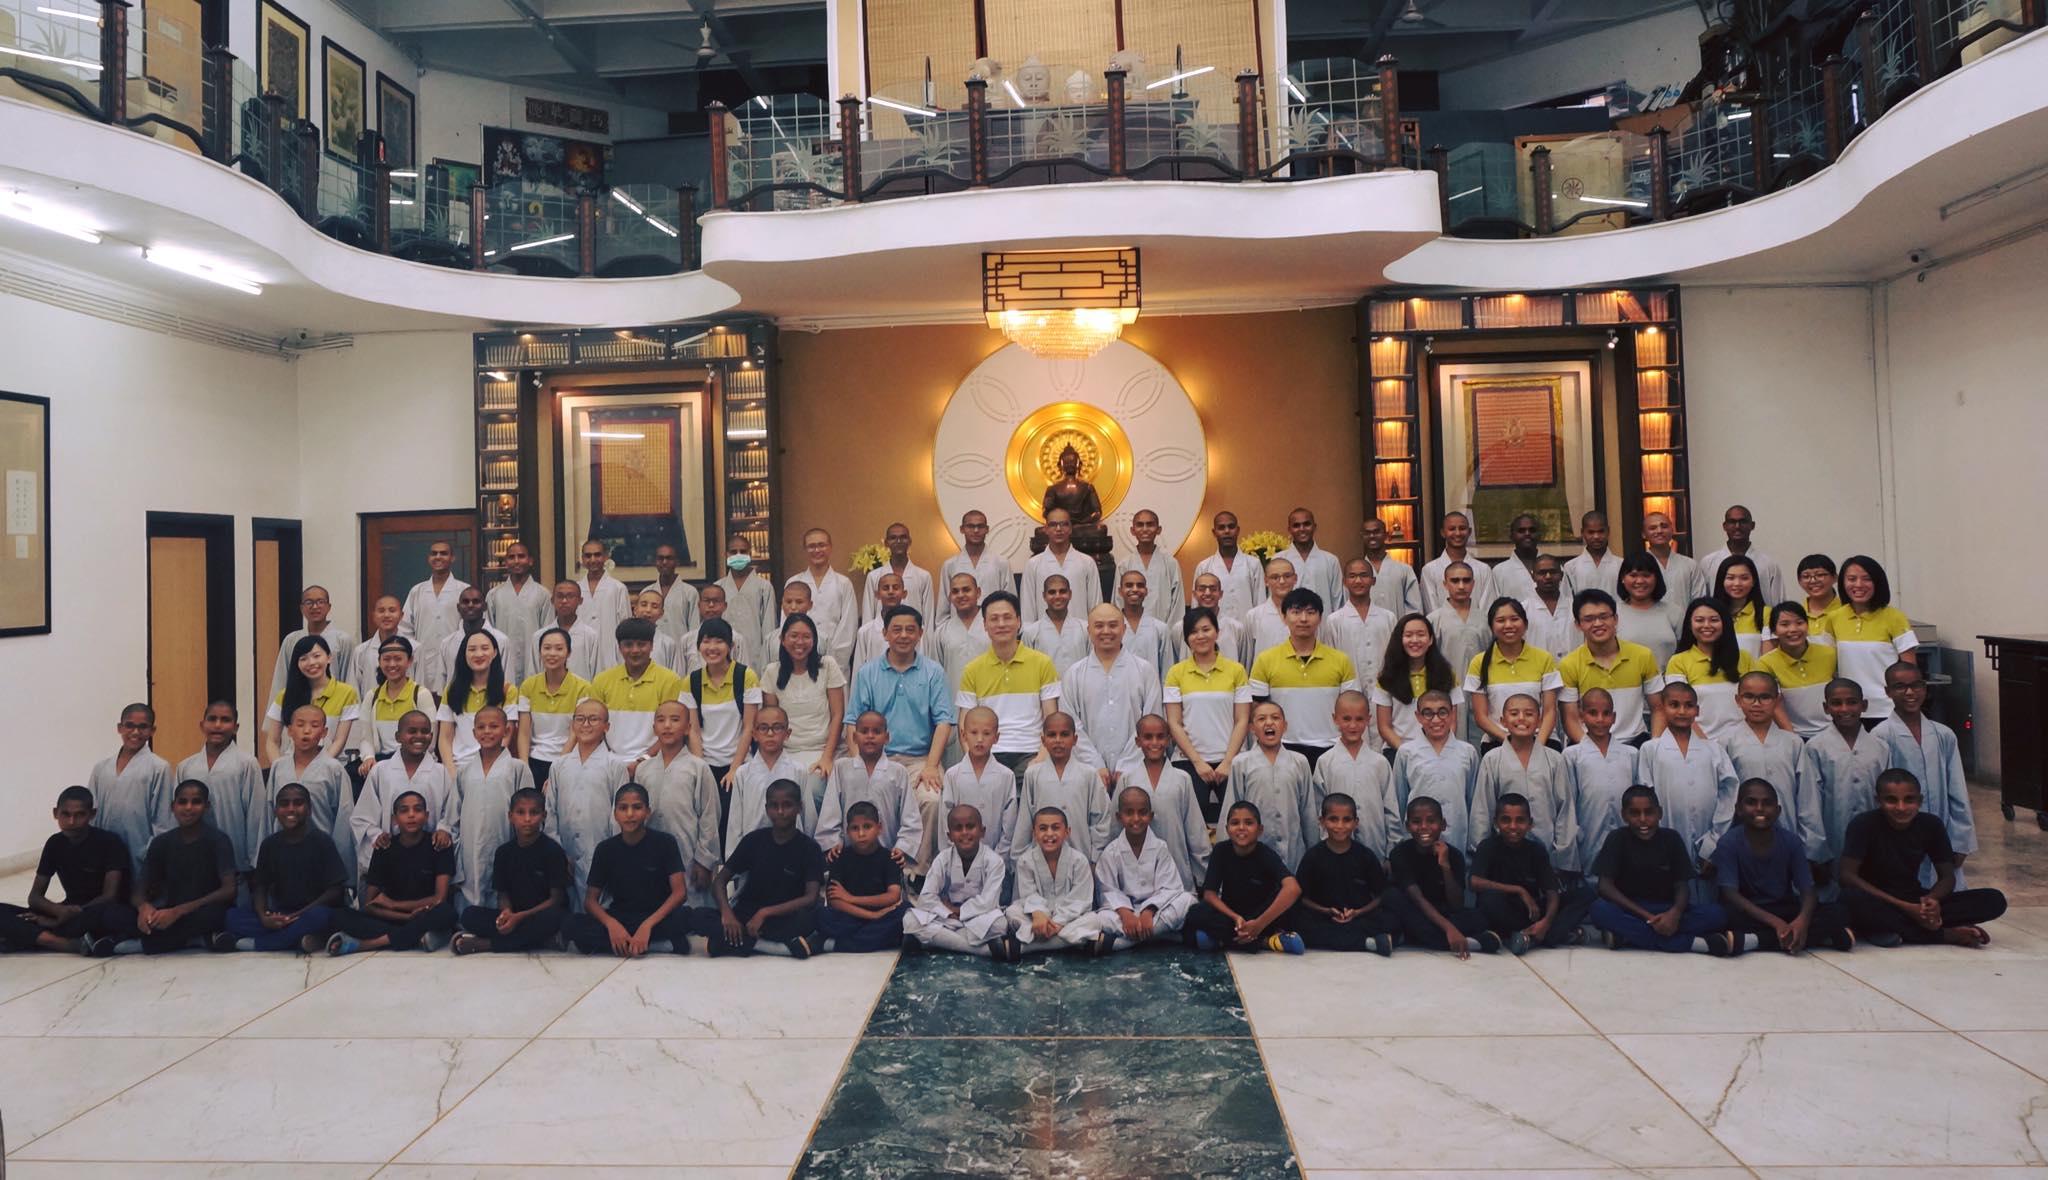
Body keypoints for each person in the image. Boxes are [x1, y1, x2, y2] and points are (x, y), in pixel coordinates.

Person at [842, 603, 953, 873]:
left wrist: (930, 765)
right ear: (885, 634)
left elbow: (943, 722)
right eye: (897, 629)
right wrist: (860, 764)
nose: (903, 635)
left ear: (920, 634)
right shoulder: (868, 672)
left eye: (910, 630)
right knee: (869, 801)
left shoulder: (933, 672)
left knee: (932, 801)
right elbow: (852, 721)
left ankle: (915, 873)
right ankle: (869, 871)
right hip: (878, 758)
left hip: (919, 760)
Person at [1839, 768, 2005, 947]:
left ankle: (1894, 929)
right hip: (1877, 899)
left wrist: (1931, 902)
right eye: (1891, 800)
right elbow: (1847, 876)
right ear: (1878, 801)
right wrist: (1907, 909)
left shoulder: (1930, 825)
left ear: (1920, 800)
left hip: (1914, 897)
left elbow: (1947, 876)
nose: (1901, 808)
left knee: (1994, 900)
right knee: (1851, 900)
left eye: (1909, 800)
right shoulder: (1863, 825)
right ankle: (1945, 935)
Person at [89, 779, 235, 956]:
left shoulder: (218, 840)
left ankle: (145, 943)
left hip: (199, 910)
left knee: (221, 917)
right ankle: (194, 940)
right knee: (111, 914)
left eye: (196, 802)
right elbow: (139, 890)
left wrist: (178, 911)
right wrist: (144, 908)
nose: (188, 808)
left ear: (207, 806)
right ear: (173, 806)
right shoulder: (161, 842)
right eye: (182, 802)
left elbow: (228, 890)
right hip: (167, 912)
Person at [1588, 786, 1734, 955]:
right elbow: (1605, 887)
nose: (1643, 819)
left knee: (1718, 914)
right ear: (1624, 815)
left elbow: (1682, 886)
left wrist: (1675, 914)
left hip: (1667, 909)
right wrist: (1648, 917)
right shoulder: (1617, 838)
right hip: (1631, 909)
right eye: (1634, 813)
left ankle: (1629, 936)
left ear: (1660, 813)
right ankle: (1692, 943)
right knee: (1599, 910)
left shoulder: (1671, 838)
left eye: (1649, 813)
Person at [1715, 779, 1855, 953]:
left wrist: (1801, 921)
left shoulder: (1790, 841)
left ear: (1778, 810)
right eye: (1751, 802)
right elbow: (1731, 895)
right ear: (1738, 809)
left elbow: (1808, 890)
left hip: (1783, 908)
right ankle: (1818, 937)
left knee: (1837, 911)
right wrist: (1776, 923)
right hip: (1750, 912)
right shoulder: (1728, 843)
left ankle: (1756, 941)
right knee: (1719, 916)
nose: (1759, 808)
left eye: (1767, 803)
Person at [696, 778, 825, 957]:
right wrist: (727, 915)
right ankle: (778, 948)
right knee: (700, 919)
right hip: (748, 914)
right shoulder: (753, 840)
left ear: (799, 807)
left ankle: (747, 943)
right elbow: (719, 881)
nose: (780, 811)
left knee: (813, 918)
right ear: (766, 809)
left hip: (784, 916)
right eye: (774, 806)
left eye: (787, 805)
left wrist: (765, 913)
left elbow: (810, 898)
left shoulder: (809, 848)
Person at [1873, 660, 1974, 878]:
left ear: (1925, 688)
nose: (1910, 692)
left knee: (1945, 890)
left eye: (1916, 685)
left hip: (1941, 830)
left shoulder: (1943, 734)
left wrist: (1960, 841)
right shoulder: (1881, 736)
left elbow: (1957, 789)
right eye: (1900, 687)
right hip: (1899, 834)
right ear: (1888, 692)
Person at [1636, 682, 1739, 897]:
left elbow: (1729, 793)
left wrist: (1714, 841)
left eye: (1688, 705)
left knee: (1709, 901)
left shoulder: (1713, 749)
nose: (1682, 711)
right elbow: (1645, 798)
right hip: (1665, 836)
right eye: (1674, 705)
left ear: (1697, 710)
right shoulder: (1650, 749)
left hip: (1708, 838)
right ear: (1662, 708)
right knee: (1671, 894)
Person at [566, 783, 691, 957]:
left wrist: (647, 926)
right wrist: (612, 925)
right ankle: (656, 944)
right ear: (615, 813)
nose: (630, 814)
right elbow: (590, 901)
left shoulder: (665, 842)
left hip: (657, 918)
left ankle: (630, 943)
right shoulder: (605, 849)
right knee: (571, 924)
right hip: (621, 917)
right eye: (623, 808)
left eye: (637, 807)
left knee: (693, 917)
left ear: (648, 811)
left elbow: (680, 893)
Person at [955, 591, 1061, 793]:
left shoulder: (1042, 663)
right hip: (988, 752)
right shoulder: (972, 669)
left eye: (1007, 617)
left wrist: (1041, 757)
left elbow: (1051, 718)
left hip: (1031, 751)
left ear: (1019, 621)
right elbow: (964, 725)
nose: (1001, 624)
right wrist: (975, 762)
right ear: (985, 625)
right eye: (994, 619)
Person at [0, 786, 129, 954]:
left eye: (80, 815)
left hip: (95, 912)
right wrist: (58, 911)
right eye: (65, 814)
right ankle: (62, 943)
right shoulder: (55, 843)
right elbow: (35, 897)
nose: (71, 822)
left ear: (92, 814)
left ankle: (31, 938)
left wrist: (64, 917)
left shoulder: (109, 842)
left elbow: (110, 896)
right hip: (66, 911)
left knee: (112, 918)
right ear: (55, 813)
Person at [219, 783, 344, 953]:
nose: (291, 809)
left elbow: (335, 891)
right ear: (275, 810)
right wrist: (264, 916)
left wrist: (297, 915)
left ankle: (261, 944)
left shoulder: (322, 841)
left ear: (309, 809)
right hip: (281, 911)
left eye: (298, 803)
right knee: (231, 917)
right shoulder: (270, 844)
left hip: (310, 911)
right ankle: (300, 940)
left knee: (322, 917)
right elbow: (260, 886)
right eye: (284, 804)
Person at [1471, 793, 1595, 953]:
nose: (1513, 827)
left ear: (1530, 824)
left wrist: (1547, 922)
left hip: (1532, 912)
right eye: (1506, 820)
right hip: (1502, 911)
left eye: (1520, 820)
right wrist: (1519, 890)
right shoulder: (1488, 846)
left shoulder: (1536, 850)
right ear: (1496, 823)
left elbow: (1551, 891)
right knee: (1488, 899)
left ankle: (1535, 935)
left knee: (1586, 894)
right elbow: (1474, 882)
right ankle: (1551, 936)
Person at [454, 786, 569, 955]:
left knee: (555, 919)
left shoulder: (552, 850)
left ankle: (487, 944)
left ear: (543, 816)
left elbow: (556, 899)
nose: (527, 819)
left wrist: (520, 917)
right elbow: (503, 893)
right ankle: (541, 940)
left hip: (539, 915)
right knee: (469, 915)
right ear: (510, 816)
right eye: (520, 813)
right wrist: (506, 913)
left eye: (534, 812)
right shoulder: (504, 852)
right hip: (516, 915)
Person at [1249, 588, 1359, 767]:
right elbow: (1255, 709)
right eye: (1296, 612)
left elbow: (1351, 708)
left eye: (1310, 612)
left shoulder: (1341, 660)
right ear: (1284, 617)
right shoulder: (1265, 660)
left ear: (1320, 618)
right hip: (1282, 748)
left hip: (1331, 748)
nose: (1303, 619)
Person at [1471, 695, 1579, 872]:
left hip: (1547, 850)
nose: (1521, 718)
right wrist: (1480, 853)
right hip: (1502, 852)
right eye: (1514, 713)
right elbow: (1483, 809)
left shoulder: (1555, 760)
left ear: (1539, 721)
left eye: (1529, 714)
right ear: (1503, 721)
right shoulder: (1492, 759)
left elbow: (1565, 810)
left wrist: (1564, 855)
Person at [1798, 678, 1891, 884]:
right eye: (1836, 703)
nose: (1844, 709)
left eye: (1852, 702)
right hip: (1832, 836)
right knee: (1834, 891)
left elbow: (1888, 798)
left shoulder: (1880, 747)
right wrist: (1816, 850)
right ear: (1826, 707)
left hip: (1874, 836)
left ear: (1864, 705)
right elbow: (1810, 802)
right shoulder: (1816, 748)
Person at [1164, 606, 1251, 822]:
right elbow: (1174, 723)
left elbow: (1242, 720)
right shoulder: (1176, 673)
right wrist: (1198, 762)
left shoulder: (1236, 671)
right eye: (1193, 632)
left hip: (1230, 761)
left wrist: (1228, 761)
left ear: (1217, 632)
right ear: (1186, 639)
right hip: (1189, 761)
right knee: (1191, 826)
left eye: (1206, 629)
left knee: (1236, 825)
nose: (1200, 636)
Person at [1184, 800, 1306, 954]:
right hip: (1233, 916)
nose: (1241, 828)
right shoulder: (1221, 851)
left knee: (1292, 904)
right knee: (1195, 914)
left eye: (1248, 823)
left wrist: (1259, 924)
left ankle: (1226, 940)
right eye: (1235, 823)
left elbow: (1293, 888)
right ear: (1227, 829)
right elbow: (1209, 894)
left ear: (1260, 830)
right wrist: (1235, 917)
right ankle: (1263, 941)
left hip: (1261, 915)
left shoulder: (1266, 854)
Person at [1725, 672, 1823, 862]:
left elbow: (1807, 797)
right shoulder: (1726, 742)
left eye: (1765, 697)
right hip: (1741, 835)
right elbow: (1725, 798)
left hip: (1787, 829)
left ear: (1777, 700)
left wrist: (1812, 847)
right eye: (1749, 697)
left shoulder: (1793, 743)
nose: (1757, 704)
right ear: (1738, 700)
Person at [1384, 795, 1499, 958]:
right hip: (1414, 910)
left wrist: (1445, 866)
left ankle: (1420, 937)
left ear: (1443, 825)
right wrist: (1450, 929)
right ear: (1407, 826)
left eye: (1431, 821)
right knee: (1392, 898)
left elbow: (1457, 904)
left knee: (1479, 918)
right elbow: (1417, 899)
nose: (1424, 827)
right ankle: (1471, 943)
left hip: (1441, 913)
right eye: (1416, 822)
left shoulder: (1453, 855)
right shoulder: (1400, 854)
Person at [1063, 602, 1162, 784]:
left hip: (1137, 769)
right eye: (1099, 626)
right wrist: (1095, 764)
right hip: (1088, 773)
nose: (1106, 631)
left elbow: (1151, 721)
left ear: (1124, 629)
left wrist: (1128, 763)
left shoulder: (1144, 670)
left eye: (1113, 625)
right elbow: (1071, 726)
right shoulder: (1074, 674)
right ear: (1089, 630)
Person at [350, 711, 455, 881]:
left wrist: (444, 829)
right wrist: (376, 835)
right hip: (390, 853)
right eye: (412, 731)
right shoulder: (380, 770)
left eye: (424, 731)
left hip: (427, 856)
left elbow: (450, 812)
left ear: (432, 735)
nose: (419, 736)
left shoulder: (440, 772)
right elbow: (363, 816)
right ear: (398, 736)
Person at [638, 700, 723, 907]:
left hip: (688, 852)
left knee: (690, 908)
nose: (667, 725)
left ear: (687, 728)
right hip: (651, 852)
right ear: (654, 728)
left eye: (675, 720)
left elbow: (710, 816)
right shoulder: (643, 770)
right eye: (661, 720)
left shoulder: (698, 767)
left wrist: (704, 860)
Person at [266, 705, 356, 897]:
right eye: (300, 725)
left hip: (321, 853)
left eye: (314, 725)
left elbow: (344, 818)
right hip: (283, 851)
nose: (306, 731)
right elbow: (268, 812)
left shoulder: (334, 769)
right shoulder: (279, 767)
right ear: (289, 730)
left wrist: (340, 868)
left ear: (324, 732)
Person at [453, 705, 537, 911]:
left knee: (505, 891)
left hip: (505, 839)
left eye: (493, 726)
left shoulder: (518, 768)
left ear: (507, 730)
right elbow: (454, 813)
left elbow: (529, 809)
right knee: (471, 901)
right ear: (473, 733)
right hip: (470, 844)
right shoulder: (464, 770)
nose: (487, 731)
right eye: (481, 727)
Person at [1290, 793, 1397, 955]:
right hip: (1325, 918)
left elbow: (1381, 895)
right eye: (1333, 819)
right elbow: (1302, 898)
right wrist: (1325, 910)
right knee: (1298, 922)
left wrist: (1358, 912)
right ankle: (1368, 943)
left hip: (1359, 918)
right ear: (1322, 822)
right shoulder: (1313, 856)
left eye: (1346, 820)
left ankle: (1359, 939)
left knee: (1392, 919)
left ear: (1356, 823)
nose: (1340, 826)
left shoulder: (1365, 855)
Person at [1558, 588, 1666, 746]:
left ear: (1615, 619)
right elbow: (1570, 719)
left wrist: (1654, 745)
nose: (1598, 624)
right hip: (1587, 745)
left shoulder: (1643, 655)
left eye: (1604, 617)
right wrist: (1593, 752)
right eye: (1589, 619)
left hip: (1635, 742)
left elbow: (1659, 708)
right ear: (1578, 625)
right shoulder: (1569, 664)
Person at [175, 701, 265, 890]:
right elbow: (177, 813)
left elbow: (256, 813)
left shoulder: (247, 763)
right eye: (212, 719)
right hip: (193, 855)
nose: (217, 725)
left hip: (237, 857)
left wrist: (254, 860)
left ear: (236, 727)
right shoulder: (186, 766)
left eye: (225, 720)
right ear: (202, 725)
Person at [1218, 702, 1319, 869]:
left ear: (1285, 726)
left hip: (1293, 853)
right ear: (1252, 727)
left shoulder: (1299, 762)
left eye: (1275, 718)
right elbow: (1231, 807)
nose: (1269, 723)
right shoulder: (1241, 763)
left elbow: (1308, 810)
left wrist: (1314, 853)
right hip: (1253, 854)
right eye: (1261, 719)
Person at [1094, 786, 1195, 952]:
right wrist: (1127, 915)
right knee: (1100, 918)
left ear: (1151, 816)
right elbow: (1107, 891)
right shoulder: (1111, 852)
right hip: (1124, 914)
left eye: (1142, 812)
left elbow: (1170, 887)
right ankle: (1162, 935)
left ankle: (1122, 943)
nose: (1136, 818)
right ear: (1119, 817)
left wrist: (1148, 911)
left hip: (1156, 913)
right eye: (1129, 813)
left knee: (1187, 900)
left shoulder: (1160, 847)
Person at [904, 803, 1011, 958]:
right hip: (947, 919)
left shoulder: (994, 861)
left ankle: (943, 942)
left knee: (999, 924)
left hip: (978, 918)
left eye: (970, 826)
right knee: (910, 920)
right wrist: (947, 912)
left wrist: (959, 911)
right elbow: (926, 897)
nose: (964, 832)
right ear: (949, 836)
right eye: (958, 828)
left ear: (982, 831)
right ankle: (981, 950)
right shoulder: (943, 859)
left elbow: (988, 902)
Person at [763, 613, 846, 811]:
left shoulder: (828, 666)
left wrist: (827, 757)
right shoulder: (772, 672)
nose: (800, 642)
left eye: (806, 637)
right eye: (793, 636)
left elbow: (837, 716)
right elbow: (770, 722)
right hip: (786, 751)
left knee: (814, 789)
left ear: (814, 640)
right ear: (783, 640)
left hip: (821, 749)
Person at [814, 711, 920, 861]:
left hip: (886, 855)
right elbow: (830, 811)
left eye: (876, 731)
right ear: (854, 737)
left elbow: (910, 818)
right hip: (848, 854)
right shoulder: (842, 768)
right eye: (864, 731)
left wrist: (902, 847)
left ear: (887, 737)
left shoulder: (898, 771)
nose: (870, 736)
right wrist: (833, 842)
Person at [1126, 713, 1214, 892]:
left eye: (1160, 737)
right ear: (1138, 741)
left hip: (1177, 865)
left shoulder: (1182, 779)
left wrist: (1205, 879)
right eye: (1148, 737)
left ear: (1169, 739)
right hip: (1135, 870)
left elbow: (1195, 830)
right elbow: (1116, 830)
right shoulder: (1128, 779)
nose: (1154, 743)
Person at [1012, 711, 1114, 862]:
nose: (1058, 740)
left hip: (1081, 857)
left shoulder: (1089, 774)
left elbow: (1102, 819)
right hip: (1040, 859)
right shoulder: (1033, 774)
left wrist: (1094, 857)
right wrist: (1019, 858)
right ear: (1043, 740)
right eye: (1052, 735)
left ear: (1075, 739)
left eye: (1064, 734)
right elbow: (1025, 821)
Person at [1826, 556, 1920, 720]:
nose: (1858, 585)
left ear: (1878, 582)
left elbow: (1909, 670)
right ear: (1842, 583)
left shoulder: (1895, 617)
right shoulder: (1834, 618)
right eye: (1852, 579)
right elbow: (1829, 665)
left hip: (1888, 710)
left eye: (1866, 579)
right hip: (1849, 712)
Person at [88, 702, 173, 882]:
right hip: (104, 851)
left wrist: (151, 855)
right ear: (120, 728)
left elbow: (163, 820)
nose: (135, 732)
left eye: (143, 727)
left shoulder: (159, 767)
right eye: (130, 725)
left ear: (152, 730)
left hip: (140, 851)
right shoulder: (101, 768)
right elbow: (92, 813)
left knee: (137, 900)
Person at [1005, 807, 1106, 957]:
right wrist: (1039, 914)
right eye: (1043, 828)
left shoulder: (1079, 860)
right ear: (1034, 833)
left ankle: (1028, 947)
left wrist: (1056, 924)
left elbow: (1080, 900)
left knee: (1095, 919)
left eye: (1055, 828)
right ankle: (1075, 942)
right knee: (1012, 912)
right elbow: (1028, 896)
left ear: (1067, 832)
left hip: (1068, 918)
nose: (1049, 834)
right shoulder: (1025, 861)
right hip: (1038, 918)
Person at [1391, 690, 1482, 854]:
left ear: (1452, 714)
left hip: (1457, 837)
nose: (1436, 719)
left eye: (1442, 712)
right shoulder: (1406, 753)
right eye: (1428, 713)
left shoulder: (1467, 752)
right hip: (1416, 840)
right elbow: (1399, 801)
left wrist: (1474, 844)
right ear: (1418, 716)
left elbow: (1474, 802)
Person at [1313, 691, 1402, 858]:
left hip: (1375, 845)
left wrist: (1391, 852)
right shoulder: (1325, 762)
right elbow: (1319, 809)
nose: (1353, 726)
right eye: (1346, 719)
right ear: (1335, 719)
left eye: (1359, 719)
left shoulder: (1379, 762)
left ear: (1368, 720)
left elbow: (1391, 810)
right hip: (1335, 850)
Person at [1464, 598, 1562, 748]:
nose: (1508, 625)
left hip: (1542, 740)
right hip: (1498, 742)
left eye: (1514, 619)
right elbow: (1481, 717)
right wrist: (1510, 743)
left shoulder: (1544, 658)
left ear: (1525, 624)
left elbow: (1549, 711)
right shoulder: (1479, 662)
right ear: (1491, 626)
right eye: (1501, 620)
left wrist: (1537, 747)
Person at [1564, 688, 1640, 876]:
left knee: (1625, 876)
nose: (1600, 719)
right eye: (1593, 713)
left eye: (1606, 714)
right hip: (1588, 832)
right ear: (1582, 716)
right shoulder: (1572, 755)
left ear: (1614, 717)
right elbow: (1568, 803)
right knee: (1590, 881)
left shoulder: (1631, 754)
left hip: (1626, 832)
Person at [816, 801, 908, 953]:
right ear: (847, 831)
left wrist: (851, 898)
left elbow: (893, 896)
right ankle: (874, 940)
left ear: (879, 828)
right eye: (855, 828)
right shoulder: (840, 857)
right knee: (821, 914)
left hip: (882, 913)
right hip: (851, 915)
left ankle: (837, 945)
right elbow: (834, 900)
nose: (861, 834)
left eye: (867, 827)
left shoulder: (889, 857)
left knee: (905, 912)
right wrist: (872, 916)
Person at [592, 618, 685, 765]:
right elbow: (595, 727)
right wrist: (610, 758)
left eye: (641, 644)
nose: (635, 650)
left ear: (652, 646)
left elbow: (671, 731)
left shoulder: (670, 680)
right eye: (628, 645)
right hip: (609, 763)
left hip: (654, 763)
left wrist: (644, 760)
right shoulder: (602, 680)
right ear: (619, 647)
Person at [1665, 598, 1757, 742]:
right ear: (1689, 624)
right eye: (1699, 620)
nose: (1706, 625)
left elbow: (1756, 703)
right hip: (1699, 744)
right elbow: (1679, 711)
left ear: (1725, 623)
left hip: (1744, 742)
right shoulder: (1678, 662)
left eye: (1714, 620)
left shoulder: (1744, 658)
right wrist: (1706, 745)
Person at [725, 705, 815, 853]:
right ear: (754, 734)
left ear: (788, 733)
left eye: (777, 727)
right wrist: (734, 862)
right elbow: (735, 824)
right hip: (753, 852)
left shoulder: (798, 770)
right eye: (763, 728)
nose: (770, 733)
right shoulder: (743, 773)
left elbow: (809, 818)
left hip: (793, 850)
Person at [261, 634, 359, 765]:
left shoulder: (347, 693)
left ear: (329, 658)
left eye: (317, 656)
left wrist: (317, 767)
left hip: (328, 768)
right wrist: (280, 768)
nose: (311, 663)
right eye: (303, 659)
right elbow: (272, 741)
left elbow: (339, 741)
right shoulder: (285, 695)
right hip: (290, 769)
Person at [941, 707, 1020, 862]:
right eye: (974, 732)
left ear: (996, 737)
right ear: (963, 735)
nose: (979, 739)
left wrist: (998, 859)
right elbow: (945, 821)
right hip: (958, 860)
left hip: (996, 858)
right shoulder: (952, 775)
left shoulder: (1006, 776)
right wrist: (953, 858)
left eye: (986, 733)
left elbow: (1009, 825)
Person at [517, 627, 593, 789]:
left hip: (568, 761)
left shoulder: (582, 687)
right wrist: (524, 767)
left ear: (569, 653)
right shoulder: (528, 686)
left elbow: (575, 733)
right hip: (534, 761)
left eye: (559, 648)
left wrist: (558, 769)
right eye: (547, 648)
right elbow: (523, 732)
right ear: (539, 652)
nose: (552, 653)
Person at [437, 631, 522, 769]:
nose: (478, 654)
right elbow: (445, 738)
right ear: (464, 654)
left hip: (493, 767)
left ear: (494, 653)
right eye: (472, 649)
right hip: (458, 767)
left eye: (484, 648)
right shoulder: (451, 690)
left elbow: (506, 736)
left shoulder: (507, 690)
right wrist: (451, 771)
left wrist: (486, 769)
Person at [355, 637, 437, 779]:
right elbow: (365, 737)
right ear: (379, 661)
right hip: (381, 763)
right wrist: (368, 757)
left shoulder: (421, 695)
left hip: (415, 762)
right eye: (386, 659)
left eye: (398, 659)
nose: (392, 664)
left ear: (409, 661)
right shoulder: (372, 696)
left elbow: (430, 739)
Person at [1423, 565, 1488, 739]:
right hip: (1447, 690)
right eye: (1455, 580)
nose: (1461, 586)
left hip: (1481, 691)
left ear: (1473, 584)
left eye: (1466, 581)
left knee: (1480, 739)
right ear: (1445, 584)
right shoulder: (1433, 620)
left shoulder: (1486, 618)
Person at [400, 539, 470, 692]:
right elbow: (405, 628)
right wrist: (414, 652)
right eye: (434, 553)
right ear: (428, 558)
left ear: (452, 558)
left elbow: (471, 624)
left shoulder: (464, 590)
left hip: (456, 657)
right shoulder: (416, 591)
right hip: (422, 660)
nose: (438, 557)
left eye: (443, 553)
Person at [1760, 603, 1837, 737]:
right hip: (1794, 735)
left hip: (1832, 733)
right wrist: (1793, 738)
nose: (1793, 629)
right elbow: (1775, 704)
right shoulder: (1766, 663)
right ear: (1774, 631)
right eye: (1784, 624)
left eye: (1799, 623)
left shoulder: (1829, 654)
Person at [268, 585, 354, 703]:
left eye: (320, 602)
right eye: (309, 602)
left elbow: (349, 677)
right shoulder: (291, 640)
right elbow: (281, 678)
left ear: (329, 607)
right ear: (302, 608)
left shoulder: (342, 640)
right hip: (298, 704)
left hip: (333, 705)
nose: (315, 607)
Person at [789, 528, 859, 671]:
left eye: (821, 545)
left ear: (830, 547)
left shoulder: (843, 583)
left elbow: (848, 626)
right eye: (811, 546)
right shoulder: (794, 582)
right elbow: (787, 623)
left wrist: (835, 661)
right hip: (800, 659)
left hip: (835, 662)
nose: (817, 550)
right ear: (805, 549)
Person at [1329, 558, 1398, 697]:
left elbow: (1396, 658)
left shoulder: (1388, 618)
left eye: (1364, 575)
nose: (1358, 581)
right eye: (1352, 576)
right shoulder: (1335, 621)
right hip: (1348, 694)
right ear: (1344, 581)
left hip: (1385, 693)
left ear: (1373, 581)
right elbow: (1331, 662)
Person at [484, 542, 550, 684]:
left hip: (534, 661)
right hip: (502, 660)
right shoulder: (494, 595)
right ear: (506, 562)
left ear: (530, 561)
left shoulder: (542, 594)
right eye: (511, 557)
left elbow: (548, 632)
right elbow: (489, 632)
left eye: (521, 556)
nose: (516, 561)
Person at [1022, 507, 1103, 624]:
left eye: (1064, 524)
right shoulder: (1033, 564)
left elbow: (1096, 605)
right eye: (1053, 525)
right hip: (1043, 637)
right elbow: (1027, 608)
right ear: (1046, 529)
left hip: (1081, 636)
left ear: (1070, 528)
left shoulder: (1087, 562)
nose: (1058, 529)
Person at [1694, 504, 1784, 604]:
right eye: (1732, 522)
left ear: (1752, 525)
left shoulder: (1768, 565)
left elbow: (1778, 604)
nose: (1737, 526)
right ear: (1725, 526)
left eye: (1743, 522)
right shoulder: (1708, 563)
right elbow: (1702, 603)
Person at [716, 532, 778, 666]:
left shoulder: (764, 587)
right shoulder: (718, 587)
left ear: (749, 553)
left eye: (743, 551)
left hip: (755, 654)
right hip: (723, 653)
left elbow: (769, 627)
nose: (738, 555)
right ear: (726, 555)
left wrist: (769, 660)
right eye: (733, 552)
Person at [931, 572, 991, 709]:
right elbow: (936, 675)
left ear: (978, 592)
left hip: (990, 702)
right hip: (954, 704)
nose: (961, 595)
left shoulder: (992, 625)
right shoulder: (942, 632)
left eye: (966, 590)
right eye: (955, 591)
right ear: (950, 597)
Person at [1615, 552, 1683, 670]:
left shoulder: (1674, 612)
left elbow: (1685, 652)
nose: (1640, 581)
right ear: (1622, 578)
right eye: (1633, 575)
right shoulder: (1613, 613)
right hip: (1628, 685)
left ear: (1656, 578)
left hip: (1669, 684)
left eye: (1646, 575)